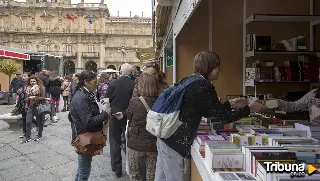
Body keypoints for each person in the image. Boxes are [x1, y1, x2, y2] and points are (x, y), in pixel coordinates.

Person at [154, 51, 263, 181]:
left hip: (166, 136)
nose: (219, 70)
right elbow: (223, 117)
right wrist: (248, 109)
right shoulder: (204, 86)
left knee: (161, 177)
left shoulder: (189, 80)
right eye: (217, 67)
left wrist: (232, 103)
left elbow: (209, 110)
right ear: (209, 67)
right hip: (174, 142)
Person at [70, 70, 108, 181]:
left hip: (84, 135)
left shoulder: (85, 93)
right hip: (84, 137)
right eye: (94, 81)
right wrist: (105, 115)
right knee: (84, 172)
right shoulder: (81, 97)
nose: (96, 84)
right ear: (86, 82)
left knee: (82, 169)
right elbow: (89, 122)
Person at [127, 73, 159, 181]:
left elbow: (130, 119)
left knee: (135, 176)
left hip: (136, 143)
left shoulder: (134, 101)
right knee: (151, 176)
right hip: (153, 144)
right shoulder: (160, 102)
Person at [106, 63, 136, 178]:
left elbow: (106, 100)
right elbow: (135, 102)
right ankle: (131, 167)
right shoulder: (134, 84)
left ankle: (117, 168)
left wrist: (108, 113)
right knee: (129, 142)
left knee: (114, 142)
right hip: (128, 116)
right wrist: (124, 113)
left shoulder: (113, 83)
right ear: (131, 72)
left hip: (114, 115)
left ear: (120, 71)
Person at [22, 75, 46, 143]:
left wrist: (34, 98)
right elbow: (27, 98)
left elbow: (43, 97)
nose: (32, 82)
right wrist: (27, 99)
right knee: (28, 122)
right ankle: (27, 137)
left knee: (39, 122)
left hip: (38, 106)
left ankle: (39, 135)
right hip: (30, 107)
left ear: (37, 81)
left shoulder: (41, 88)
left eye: (34, 81)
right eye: (31, 81)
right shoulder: (28, 88)